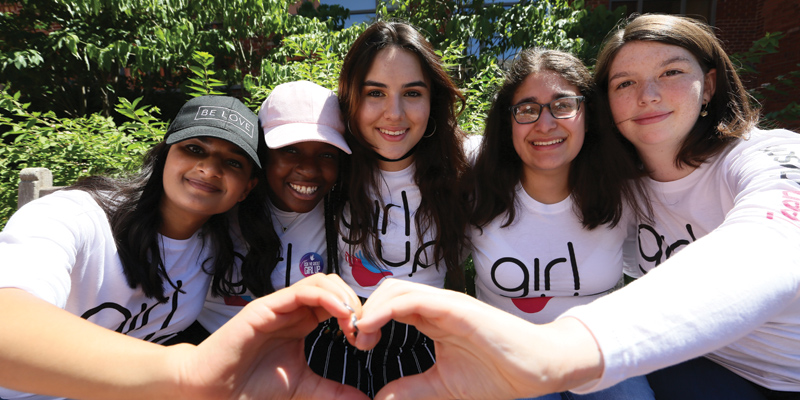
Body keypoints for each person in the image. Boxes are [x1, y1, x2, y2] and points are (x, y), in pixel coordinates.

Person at [349, 13, 800, 400]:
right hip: (697, 361)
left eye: (671, 73)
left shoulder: (761, 155)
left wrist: (560, 349)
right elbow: (403, 150)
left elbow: (774, 237)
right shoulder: (485, 172)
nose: (649, 95)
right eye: (626, 82)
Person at [0, 95, 366, 399]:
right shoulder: (75, 217)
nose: (208, 169)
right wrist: (188, 371)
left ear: (248, 186)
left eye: (232, 162)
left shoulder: (215, 248)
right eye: (194, 149)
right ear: (164, 156)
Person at [468, 48, 652, 400]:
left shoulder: (626, 189)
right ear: (508, 123)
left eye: (563, 105)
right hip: (509, 358)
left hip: (599, 355)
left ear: (588, 114)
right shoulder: (476, 184)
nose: (545, 123)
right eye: (527, 109)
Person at [305, 20, 472, 397]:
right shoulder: (331, 166)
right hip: (339, 335)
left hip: (425, 341)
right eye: (375, 93)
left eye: (412, 93)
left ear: (433, 100)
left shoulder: (465, 166)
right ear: (351, 99)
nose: (394, 113)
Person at [169, 81, 352, 344]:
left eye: (326, 155)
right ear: (263, 154)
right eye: (290, 150)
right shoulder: (221, 204)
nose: (309, 169)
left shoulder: (340, 215)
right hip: (207, 348)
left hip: (301, 356)